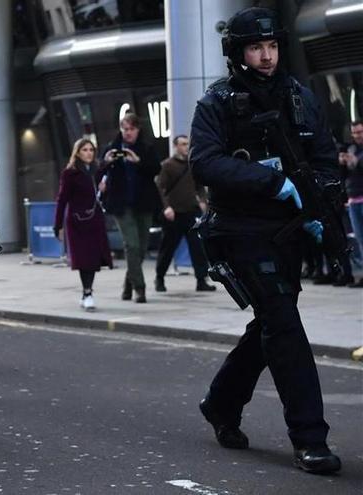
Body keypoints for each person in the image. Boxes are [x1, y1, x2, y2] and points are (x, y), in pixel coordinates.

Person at [190, 7, 341, 473]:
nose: (266, 56)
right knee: (285, 325)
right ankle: (310, 438)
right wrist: (269, 182)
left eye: (272, 46)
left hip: (288, 230)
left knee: (271, 324)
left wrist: (319, 209)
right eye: (256, 48)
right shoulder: (216, 101)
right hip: (241, 229)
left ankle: (220, 403)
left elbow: (325, 157)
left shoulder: (298, 96)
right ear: (237, 53)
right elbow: (206, 163)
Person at [99, 112, 161, 303]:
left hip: (143, 203)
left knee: (141, 248)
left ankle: (128, 284)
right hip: (121, 204)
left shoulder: (147, 147)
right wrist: (106, 162)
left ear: (137, 130)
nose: (128, 133)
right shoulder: (112, 147)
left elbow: (156, 170)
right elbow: (99, 172)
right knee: (131, 245)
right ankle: (139, 289)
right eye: (125, 129)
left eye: (131, 129)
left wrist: (138, 162)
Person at [53, 138, 113, 311]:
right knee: (83, 259)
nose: (89, 153)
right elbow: (62, 199)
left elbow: (104, 193)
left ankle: (87, 292)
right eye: (85, 150)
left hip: (94, 220)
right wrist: (58, 225)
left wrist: (104, 189)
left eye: (91, 150)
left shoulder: (98, 170)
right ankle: (87, 293)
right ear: (78, 153)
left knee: (93, 260)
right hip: (77, 222)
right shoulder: (70, 173)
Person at [154, 134, 215, 292]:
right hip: (173, 213)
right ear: (176, 146)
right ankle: (159, 278)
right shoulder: (167, 165)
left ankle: (201, 280)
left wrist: (202, 200)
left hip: (191, 211)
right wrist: (166, 207)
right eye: (182, 144)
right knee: (168, 247)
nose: (186, 147)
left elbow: (200, 186)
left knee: (197, 246)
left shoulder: (192, 164)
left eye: (187, 144)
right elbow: (160, 187)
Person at [338, 120, 363, 287]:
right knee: (360, 239)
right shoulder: (352, 148)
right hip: (353, 199)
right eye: (354, 133)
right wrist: (342, 161)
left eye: (360, 132)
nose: (357, 136)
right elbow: (345, 173)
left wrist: (356, 162)